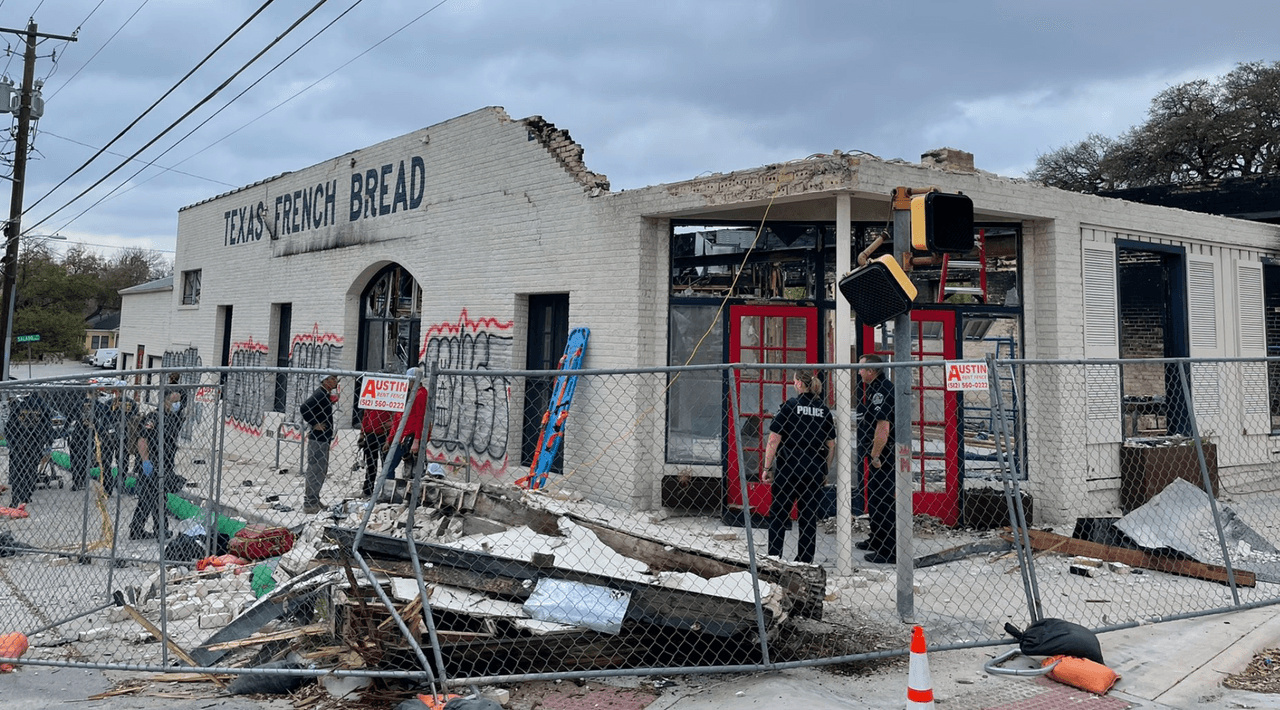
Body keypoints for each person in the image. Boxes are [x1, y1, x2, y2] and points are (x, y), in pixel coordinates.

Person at [761, 370, 836, 565]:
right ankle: (805, 560)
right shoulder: (824, 410)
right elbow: (831, 445)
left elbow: (774, 439)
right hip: (813, 468)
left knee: (779, 514)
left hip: (789, 467)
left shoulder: (789, 406)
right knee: (808, 517)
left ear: (800, 385)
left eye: (794, 381)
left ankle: (774, 557)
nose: (793, 384)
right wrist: (824, 470)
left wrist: (767, 467)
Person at [856, 354, 896, 564]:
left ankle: (889, 549)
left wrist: (876, 454)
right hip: (879, 454)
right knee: (874, 499)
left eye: (861, 368)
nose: (859, 372)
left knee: (884, 501)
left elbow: (883, 426)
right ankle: (877, 539)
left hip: (885, 455)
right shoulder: (873, 389)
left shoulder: (882, 390)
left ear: (871, 371)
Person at [6, 391, 54, 507]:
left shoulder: (19, 405)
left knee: (19, 470)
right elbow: (47, 424)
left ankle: (17, 497)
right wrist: (47, 439)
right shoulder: (41, 406)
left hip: (21, 443)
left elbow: (10, 426)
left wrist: (12, 441)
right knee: (30, 469)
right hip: (33, 443)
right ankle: (25, 496)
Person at [299, 374, 338, 514]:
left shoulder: (324, 395)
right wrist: (315, 423)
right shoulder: (320, 394)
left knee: (321, 470)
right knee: (316, 469)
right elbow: (304, 408)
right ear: (326, 381)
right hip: (318, 439)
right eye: (333, 378)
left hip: (322, 438)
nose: (336, 381)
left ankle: (314, 499)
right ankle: (310, 503)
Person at [383, 368, 429, 480]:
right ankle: (392, 491)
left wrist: (416, 440)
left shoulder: (421, 394)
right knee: (397, 466)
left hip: (409, 436)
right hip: (404, 435)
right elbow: (398, 418)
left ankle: (389, 492)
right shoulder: (412, 394)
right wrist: (390, 438)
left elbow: (420, 418)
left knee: (391, 465)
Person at [130, 411, 165, 539]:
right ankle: (158, 530)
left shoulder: (170, 417)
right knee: (150, 497)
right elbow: (142, 440)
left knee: (155, 497)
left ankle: (156, 529)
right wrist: (146, 461)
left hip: (161, 464)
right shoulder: (154, 417)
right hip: (151, 464)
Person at [358, 402, 394, 497]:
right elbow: (366, 415)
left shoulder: (392, 398)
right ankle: (368, 490)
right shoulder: (373, 398)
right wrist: (362, 433)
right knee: (370, 464)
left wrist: (392, 423)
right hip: (370, 434)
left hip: (385, 434)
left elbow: (399, 414)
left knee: (385, 464)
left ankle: (386, 491)